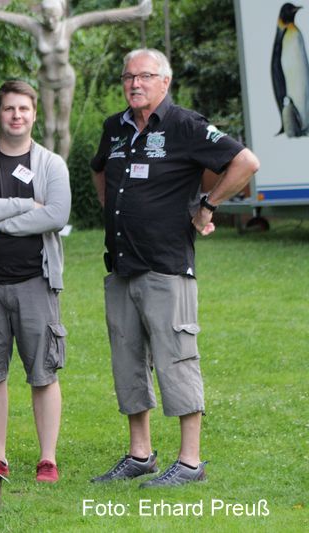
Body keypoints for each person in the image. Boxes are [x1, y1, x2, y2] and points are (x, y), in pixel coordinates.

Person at [90, 49, 260, 487]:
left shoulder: (185, 125)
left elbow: (244, 162)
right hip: (121, 264)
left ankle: (189, 463)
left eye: (145, 76)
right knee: (128, 361)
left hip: (166, 266)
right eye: (128, 77)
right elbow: (99, 170)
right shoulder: (114, 127)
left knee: (177, 360)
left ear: (164, 82)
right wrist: (111, 205)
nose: (135, 84)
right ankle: (140, 454)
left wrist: (208, 204)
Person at [0, 80, 71, 483]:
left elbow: (56, 214)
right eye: (9, 108)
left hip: (35, 281)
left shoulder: (51, 164)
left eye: (23, 108)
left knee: (43, 371)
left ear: (34, 114)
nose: (16, 115)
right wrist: (24, 206)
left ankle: (47, 460)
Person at [0, 0, 152, 160]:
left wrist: (137, 11)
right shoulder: (35, 27)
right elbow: (7, 17)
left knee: (62, 127)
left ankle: (61, 166)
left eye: (54, 16)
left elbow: (103, 16)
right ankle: (49, 166)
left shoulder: (69, 25)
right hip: (46, 81)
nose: (50, 21)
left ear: (61, 13)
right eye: (46, 16)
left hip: (65, 81)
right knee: (49, 127)